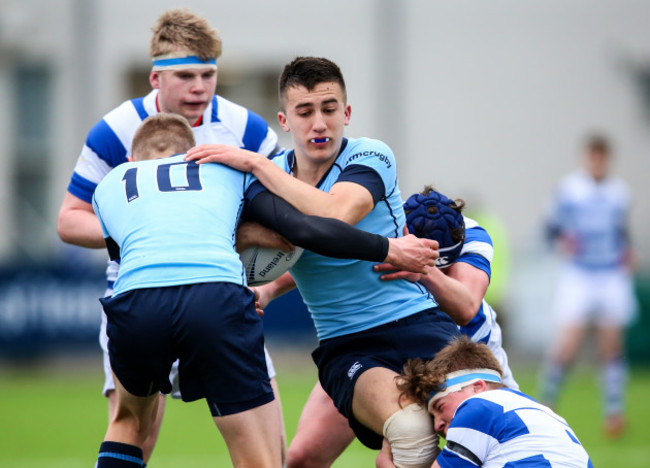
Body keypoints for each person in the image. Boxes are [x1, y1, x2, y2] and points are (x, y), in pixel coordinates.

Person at [92, 113, 440, 467]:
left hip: (136, 299)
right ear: (194, 155)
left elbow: (124, 253)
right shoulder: (223, 171)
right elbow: (301, 230)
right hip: (214, 299)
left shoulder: (109, 184)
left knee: (128, 422)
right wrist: (387, 248)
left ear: (131, 161)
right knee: (258, 458)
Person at [186, 56, 461, 468]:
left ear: (346, 113)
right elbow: (277, 240)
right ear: (284, 119)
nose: (319, 123)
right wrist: (268, 282)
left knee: (476, 432)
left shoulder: (370, 156)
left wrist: (257, 163)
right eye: (305, 111)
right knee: (401, 433)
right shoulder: (267, 179)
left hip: (420, 323)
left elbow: (333, 217)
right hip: (349, 345)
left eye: (329, 109)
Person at [56, 8, 285, 463]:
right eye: (185, 75)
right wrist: (150, 229)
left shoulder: (246, 130)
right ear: (155, 79)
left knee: (272, 445)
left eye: (208, 74)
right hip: (139, 288)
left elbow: (284, 210)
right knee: (137, 431)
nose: (199, 87)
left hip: (218, 290)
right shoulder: (117, 129)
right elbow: (69, 219)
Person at [282, 187, 520, 468]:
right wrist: (268, 289)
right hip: (375, 347)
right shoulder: (385, 224)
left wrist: (423, 268)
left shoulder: (469, 234)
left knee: (490, 449)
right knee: (303, 457)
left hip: (454, 359)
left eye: (444, 266)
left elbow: (466, 309)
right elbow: (327, 255)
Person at [538, 133, 637, 438]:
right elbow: (550, 227)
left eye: (602, 157)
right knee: (567, 345)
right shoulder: (570, 189)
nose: (597, 162)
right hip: (579, 273)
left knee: (612, 344)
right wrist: (561, 241)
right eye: (593, 156)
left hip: (610, 273)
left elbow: (621, 230)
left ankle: (613, 413)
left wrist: (628, 252)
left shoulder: (620, 192)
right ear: (587, 157)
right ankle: (545, 404)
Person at [392, 336, 593, 468]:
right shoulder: (545, 414)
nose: (436, 425)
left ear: (477, 387)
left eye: (440, 406)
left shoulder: (478, 407)